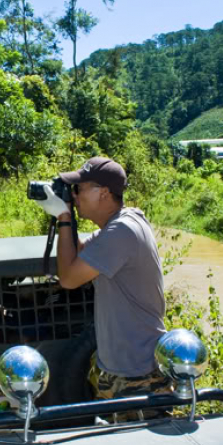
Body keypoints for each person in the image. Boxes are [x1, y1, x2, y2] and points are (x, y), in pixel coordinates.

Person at [34, 157, 171, 404]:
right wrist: (65, 213)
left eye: (79, 189)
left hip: (137, 375)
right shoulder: (116, 226)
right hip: (121, 369)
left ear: (104, 193)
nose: (74, 195)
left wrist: (65, 217)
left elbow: (68, 278)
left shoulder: (122, 231)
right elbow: (75, 256)